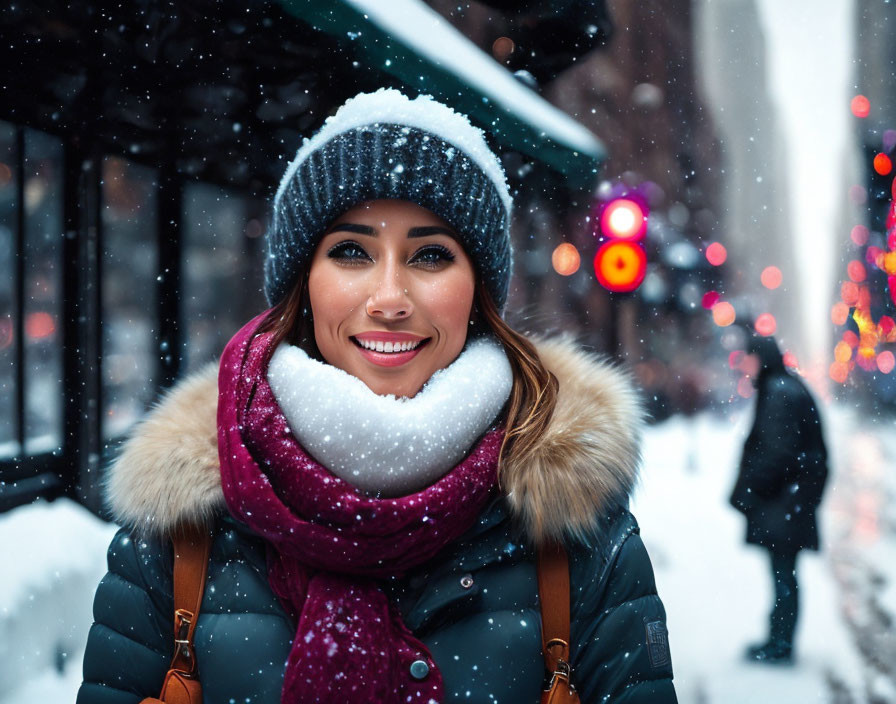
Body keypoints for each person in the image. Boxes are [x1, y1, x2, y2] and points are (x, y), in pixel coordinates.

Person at [77, 89, 676, 703]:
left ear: (478, 295)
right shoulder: (175, 537)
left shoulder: (581, 540)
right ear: (302, 285)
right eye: (351, 251)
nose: (389, 297)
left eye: (432, 255)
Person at [730, 334, 829, 664]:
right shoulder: (784, 387)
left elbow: (777, 454)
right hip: (790, 501)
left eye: (750, 358)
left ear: (763, 358)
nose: (746, 365)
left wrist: (751, 491)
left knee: (783, 575)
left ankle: (780, 645)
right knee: (783, 575)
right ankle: (779, 640)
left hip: (784, 503)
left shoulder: (778, 393)